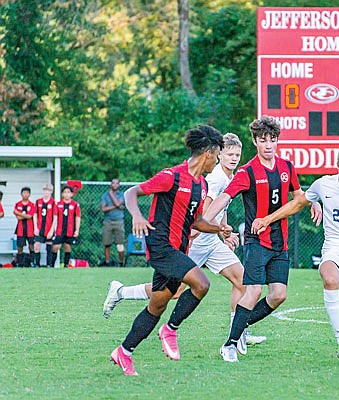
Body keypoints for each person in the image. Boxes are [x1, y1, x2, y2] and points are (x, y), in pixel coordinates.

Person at [103, 132, 266, 349]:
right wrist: (206, 230)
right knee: (173, 292)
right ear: (214, 154)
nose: (232, 158)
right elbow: (205, 210)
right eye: (227, 154)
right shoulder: (212, 178)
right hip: (196, 241)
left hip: (211, 241)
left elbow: (216, 210)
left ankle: (237, 335)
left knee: (242, 281)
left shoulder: (222, 178)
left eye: (237, 154)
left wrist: (222, 231)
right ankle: (122, 293)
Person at [252, 145, 339, 365]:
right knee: (329, 278)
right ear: (337, 166)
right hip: (335, 248)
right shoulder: (324, 184)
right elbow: (298, 203)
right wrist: (267, 219)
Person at [110, 124, 232, 376]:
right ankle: (171, 329)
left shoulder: (203, 186)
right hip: (161, 246)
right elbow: (131, 192)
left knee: (157, 305)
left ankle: (124, 351)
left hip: (177, 249)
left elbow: (196, 222)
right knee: (202, 284)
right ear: (208, 153)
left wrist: (218, 229)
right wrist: (137, 217)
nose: (218, 161)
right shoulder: (171, 176)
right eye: (218, 155)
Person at [203, 115, 322, 363]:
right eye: (263, 140)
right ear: (255, 142)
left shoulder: (287, 167)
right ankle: (230, 344)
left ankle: (240, 325)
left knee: (279, 294)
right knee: (254, 290)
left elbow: (299, 195)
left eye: (273, 140)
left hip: (281, 243)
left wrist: (313, 202)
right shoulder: (246, 172)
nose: (268, 145)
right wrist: (203, 220)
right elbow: (224, 198)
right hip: (257, 241)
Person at [48, 185, 81, 268]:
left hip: (70, 230)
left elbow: (77, 218)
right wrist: (52, 230)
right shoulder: (58, 204)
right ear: (62, 194)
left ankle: (66, 265)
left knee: (67, 247)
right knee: (56, 247)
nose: (66, 194)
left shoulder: (75, 205)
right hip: (60, 230)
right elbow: (55, 218)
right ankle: (51, 265)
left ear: (72, 194)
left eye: (68, 192)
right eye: (65, 192)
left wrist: (77, 230)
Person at [100, 178, 126, 266]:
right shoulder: (104, 195)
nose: (114, 185)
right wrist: (117, 206)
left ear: (119, 185)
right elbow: (103, 209)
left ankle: (121, 263)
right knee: (107, 244)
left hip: (119, 221)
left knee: (120, 244)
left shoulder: (122, 194)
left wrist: (111, 195)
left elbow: (119, 203)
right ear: (110, 184)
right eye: (113, 183)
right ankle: (107, 263)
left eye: (116, 183)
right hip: (108, 221)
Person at [33, 183, 56, 268]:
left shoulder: (53, 203)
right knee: (37, 245)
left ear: (51, 192)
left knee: (49, 245)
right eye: (45, 190)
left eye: (48, 191)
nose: (46, 192)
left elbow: (55, 217)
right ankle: (37, 264)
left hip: (48, 228)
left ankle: (49, 264)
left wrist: (51, 229)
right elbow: (35, 214)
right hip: (40, 227)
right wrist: (35, 227)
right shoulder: (38, 201)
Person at [14, 187, 36, 267]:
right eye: (24, 193)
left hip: (30, 229)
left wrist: (18, 213)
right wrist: (24, 216)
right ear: (21, 194)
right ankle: (20, 263)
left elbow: (30, 216)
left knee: (31, 246)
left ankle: (32, 262)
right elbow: (18, 218)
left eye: (27, 193)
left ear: (29, 194)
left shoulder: (32, 205)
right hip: (20, 229)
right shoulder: (18, 204)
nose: (25, 194)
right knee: (20, 247)